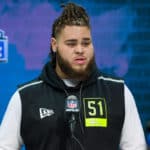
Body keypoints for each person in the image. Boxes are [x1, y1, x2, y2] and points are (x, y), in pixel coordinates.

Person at [0, 2, 147, 150]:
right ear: (54, 45)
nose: (80, 50)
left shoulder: (118, 92)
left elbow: (136, 146)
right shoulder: (26, 97)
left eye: (86, 43)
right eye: (71, 44)